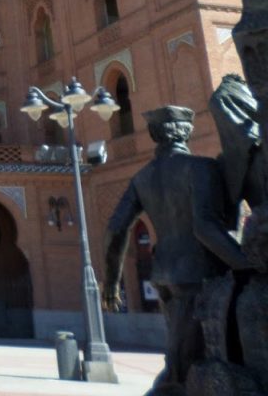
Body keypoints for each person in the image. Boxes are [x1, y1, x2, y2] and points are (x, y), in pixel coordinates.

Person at [104, 106, 250, 394]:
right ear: (187, 131)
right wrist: (245, 264)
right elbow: (205, 228)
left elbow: (115, 229)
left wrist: (111, 282)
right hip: (200, 274)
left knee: (188, 349)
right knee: (186, 360)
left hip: (164, 276)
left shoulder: (142, 177)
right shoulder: (201, 167)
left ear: (154, 134)